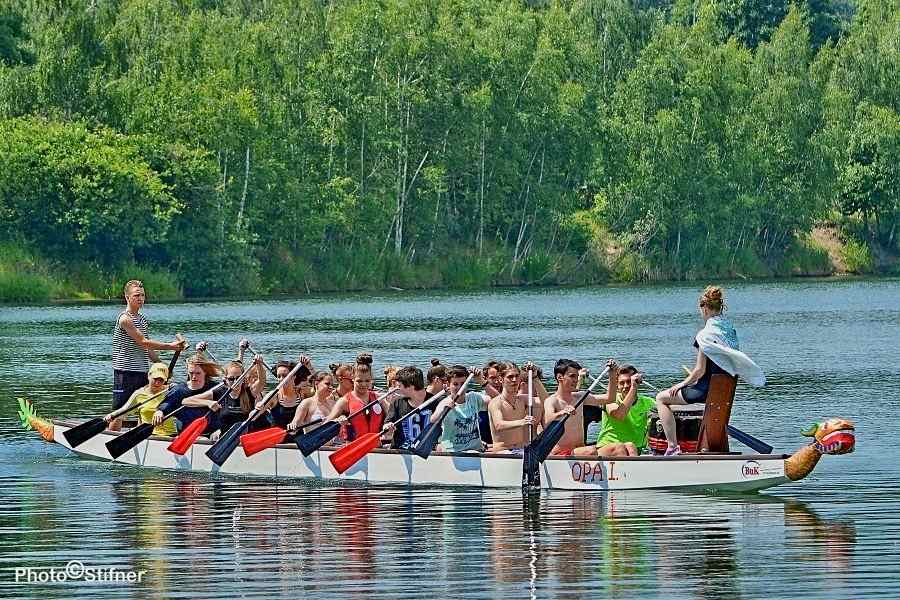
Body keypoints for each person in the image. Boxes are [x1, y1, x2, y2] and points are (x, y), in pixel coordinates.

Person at [654, 285, 764, 455]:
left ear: (704, 308)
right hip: (721, 391)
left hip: (705, 391)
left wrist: (680, 384)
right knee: (671, 396)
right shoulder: (729, 331)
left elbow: (699, 370)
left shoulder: (705, 335)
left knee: (661, 398)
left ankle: (673, 447)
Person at [112, 279, 187, 411]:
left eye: (142, 295)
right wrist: (171, 346)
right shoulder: (125, 319)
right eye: (136, 295)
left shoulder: (142, 319)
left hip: (142, 371)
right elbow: (144, 342)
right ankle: (112, 432)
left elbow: (147, 348)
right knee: (120, 411)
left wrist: (161, 365)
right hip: (125, 372)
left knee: (145, 407)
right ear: (127, 297)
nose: (140, 298)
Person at [543, 359, 616, 456]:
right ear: (560, 377)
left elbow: (609, 398)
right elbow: (548, 419)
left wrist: (612, 374)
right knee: (591, 451)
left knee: (622, 447)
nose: (576, 380)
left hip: (580, 450)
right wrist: (562, 412)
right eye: (572, 376)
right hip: (561, 453)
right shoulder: (552, 401)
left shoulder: (580, 397)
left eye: (577, 376)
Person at [181, 357, 267, 436]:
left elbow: (262, 380)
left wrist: (259, 364)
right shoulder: (220, 392)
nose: (235, 382)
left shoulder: (250, 391)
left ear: (244, 379)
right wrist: (208, 403)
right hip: (223, 437)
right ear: (225, 379)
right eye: (231, 379)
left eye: (239, 378)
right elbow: (185, 401)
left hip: (244, 438)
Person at [595, 363, 654, 457]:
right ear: (617, 385)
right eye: (622, 383)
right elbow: (619, 415)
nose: (626, 386)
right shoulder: (610, 400)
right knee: (628, 447)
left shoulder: (648, 402)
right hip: (609, 449)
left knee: (631, 447)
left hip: (635, 450)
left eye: (629, 382)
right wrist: (633, 387)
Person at [152, 353, 221, 434]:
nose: (194, 377)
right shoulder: (179, 390)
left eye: (198, 373)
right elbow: (165, 406)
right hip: (185, 435)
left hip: (210, 434)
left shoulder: (216, 388)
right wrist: (159, 412)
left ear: (205, 372)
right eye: (191, 373)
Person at [324, 353, 385, 442]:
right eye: (359, 381)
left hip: (376, 447)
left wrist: (389, 425)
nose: (363, 384)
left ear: (371, 379)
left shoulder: (380, 399)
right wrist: (338, 421)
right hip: (352, 447)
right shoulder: (344, 401)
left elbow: (393, 419)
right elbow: (325, 426)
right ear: (353, 379)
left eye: (367, 381)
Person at [105, 362, 176, 436]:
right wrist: (111, 415)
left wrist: (180, 387)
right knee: (117, 418)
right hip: (147, 435)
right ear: (149, 376)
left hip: (170, 435)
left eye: (161, 380)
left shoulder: (172, 391)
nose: (157, 383)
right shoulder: (139, 394)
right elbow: (124, 410)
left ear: (165, 380)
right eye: (155, 379)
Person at [487, 362, 544, 453]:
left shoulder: (523, 399)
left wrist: (535, 378)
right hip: (503, 450)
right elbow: (499, 425)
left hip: (522, 449)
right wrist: (522, 421)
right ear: (501, 379)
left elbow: (547, 401)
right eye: (510, 377)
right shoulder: (495, 403)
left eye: (517, 376)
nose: (514, 380)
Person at [431, 365, 486, 452]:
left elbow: (498, 401)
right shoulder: (445, 402)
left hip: (475, 450)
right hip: (453, 452)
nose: (460, 387)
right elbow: (433, 420)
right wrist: (443, 410)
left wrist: (481, 381)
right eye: (455, 384)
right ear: (449, 384)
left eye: (463, 384)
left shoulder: (474, 397)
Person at [384, 366, 437, 450]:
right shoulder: (397, 403)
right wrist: (387, 427)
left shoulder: (436, 402)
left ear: (410, 386)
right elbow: (387, 424)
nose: (397, 389)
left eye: (399, 386)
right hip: (400, 452)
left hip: (428, 454)